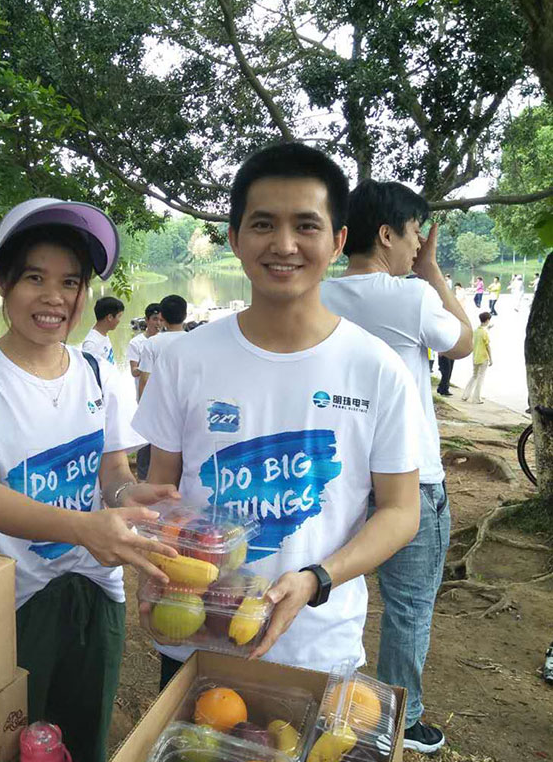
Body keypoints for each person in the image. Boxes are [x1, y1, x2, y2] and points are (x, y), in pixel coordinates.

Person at [134, 143, 424, 698]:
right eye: (263, 224)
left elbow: (401, 511)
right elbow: (161, 490)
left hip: (318, 643)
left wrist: (318, 579)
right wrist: (153, 558)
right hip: (196, 631)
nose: (284, 245)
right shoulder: (185, 358)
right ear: (235, 238)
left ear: (337, 241)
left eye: (306, 225)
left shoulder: (376, 368)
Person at [0, 199, 178, 762]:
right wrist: (83, 527)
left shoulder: (99, 372)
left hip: (96, 588)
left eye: (70, 282)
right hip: (12, 598)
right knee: (10, 758)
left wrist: (134, 494)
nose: (53, 297)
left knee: (85, 745)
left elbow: (112, 472)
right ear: (2, 281)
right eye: (35, 278)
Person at [322, 179, 473, 754]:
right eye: (414, 234)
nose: (416, 246)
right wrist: (432, 273)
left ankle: (325, 699)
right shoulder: (412, 297)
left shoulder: (319, 296)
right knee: (408, 606)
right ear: (386, 234)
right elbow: (465, 344)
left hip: (340, 478)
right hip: (411, 477)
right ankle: (398, 721)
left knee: (328, 586)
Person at [137, 294, 188, 397]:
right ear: (185, 315)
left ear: (162, 316)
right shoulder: (194, 341)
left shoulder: (151, 343)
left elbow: (145, 380)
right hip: (188, 401)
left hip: (161, 402)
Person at [126, 303, 162, 398]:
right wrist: (146, 365)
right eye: (155, 319)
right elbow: (134, 371)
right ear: (146, 320)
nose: (158, 323)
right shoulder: (136, 342)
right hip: (144, 393)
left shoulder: (164, 341)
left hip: (162, 393)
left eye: (161, 320)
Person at [80, 296, 125, 364]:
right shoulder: (91, 344)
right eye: (119, 316)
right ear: (110, 317)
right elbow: (87, 368)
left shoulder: (103, 334)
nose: (119, 321)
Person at [461, 312, 493, 404]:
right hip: (483, 357)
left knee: (474, 376)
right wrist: (491, 358)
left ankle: (465, 395)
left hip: (475, 357)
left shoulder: (475, 331)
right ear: (487, 320)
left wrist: (488, 329)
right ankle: (476, 398)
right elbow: (487, 346)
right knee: (480, 378)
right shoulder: (484, 333)